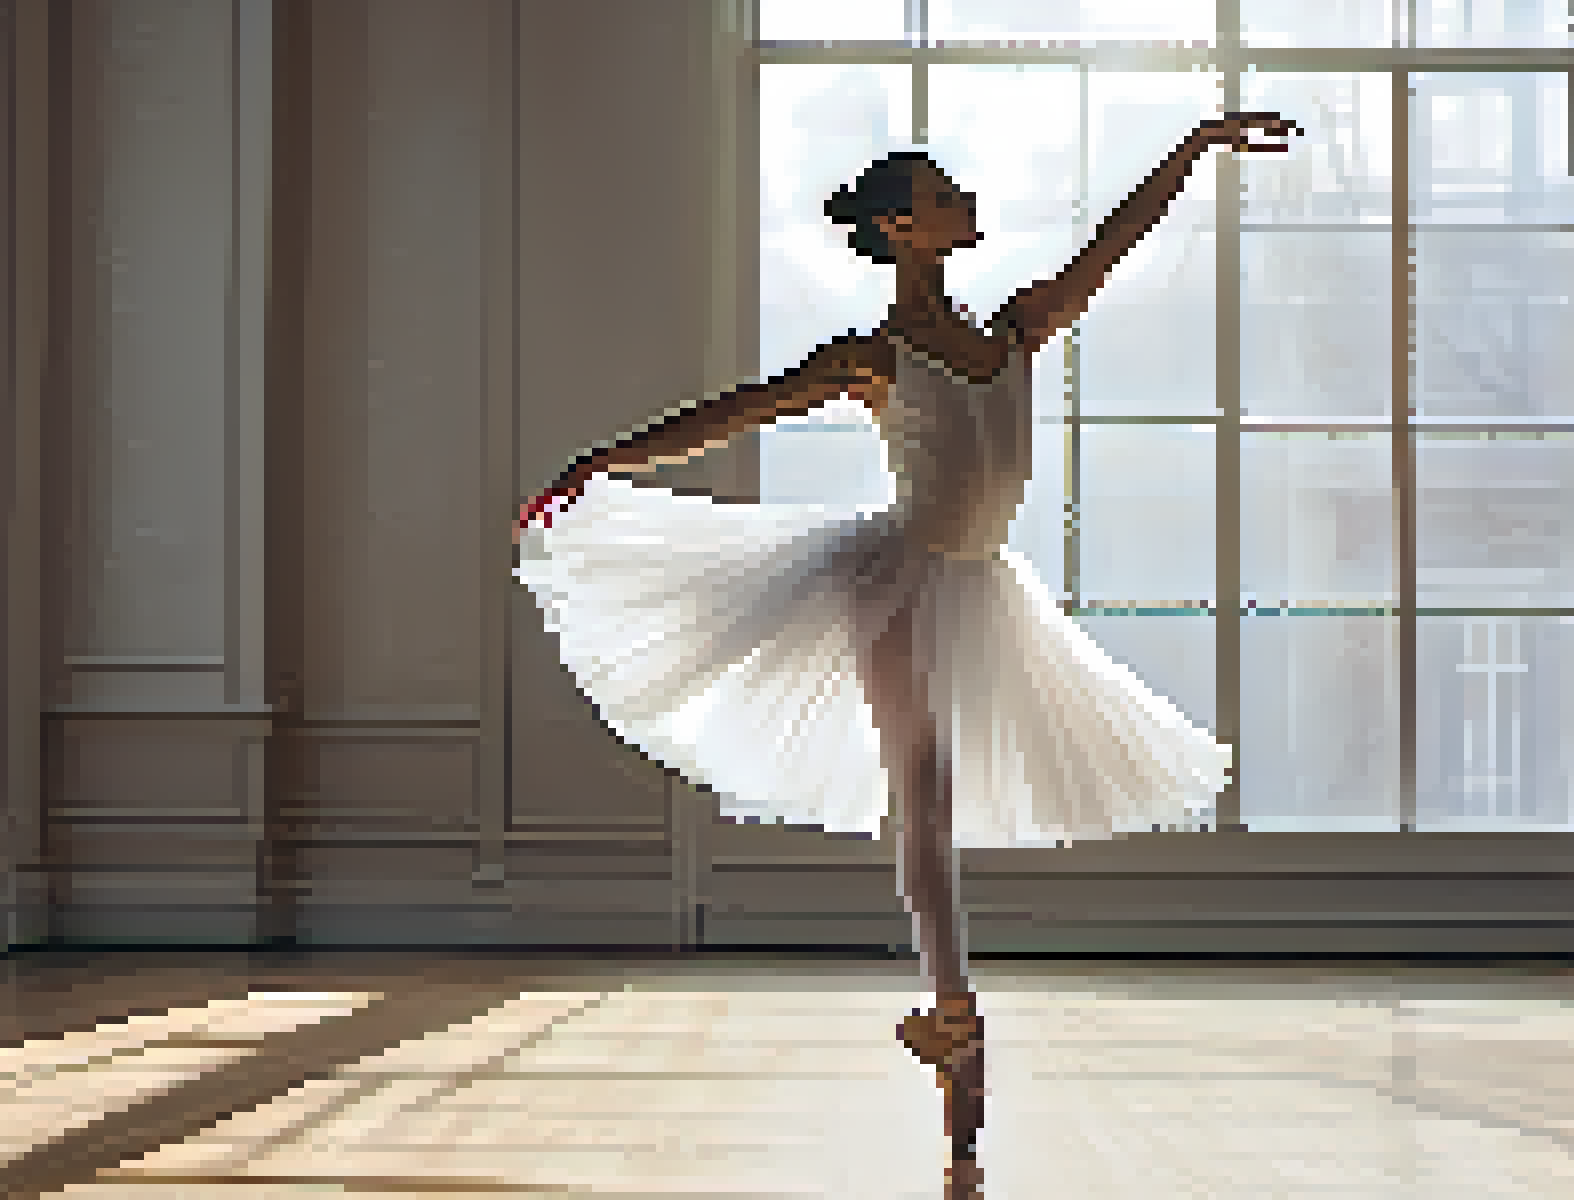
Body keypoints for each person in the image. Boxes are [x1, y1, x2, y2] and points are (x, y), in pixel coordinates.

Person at [514, 114, 1296, 1197]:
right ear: (901, 228)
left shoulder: (1019, 327)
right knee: (921, 795)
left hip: (980, 583)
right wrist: (605, 461)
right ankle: (955, 1015)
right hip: (891, 584)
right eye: (941, 193)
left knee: (934, 795)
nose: (963, 198)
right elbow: (734, 415)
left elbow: (1116, 244)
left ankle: (950, 1026)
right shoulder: (869, 358)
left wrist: (1198, 142)